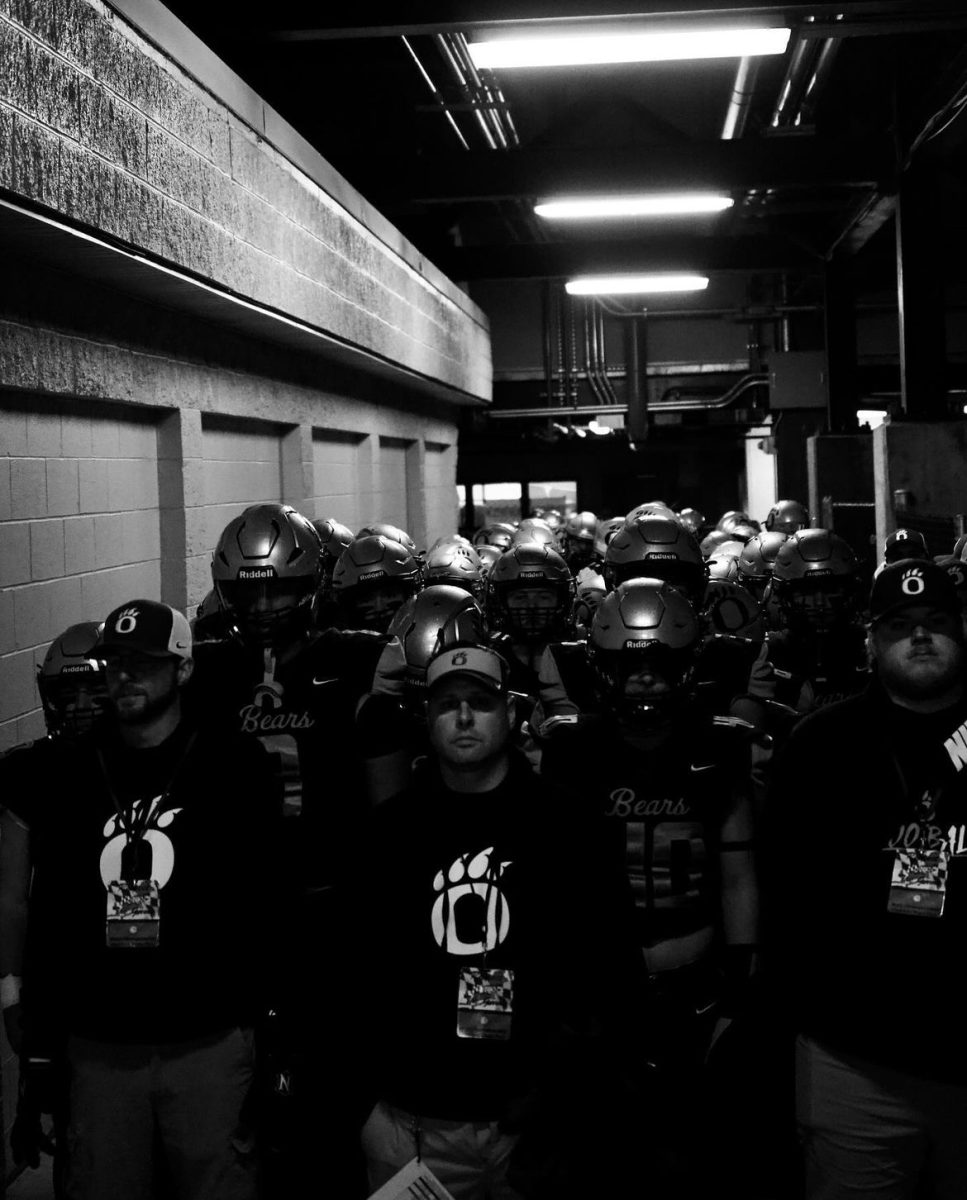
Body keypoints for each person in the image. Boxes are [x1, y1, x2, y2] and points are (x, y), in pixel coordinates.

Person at [9, 599, 283, 1200]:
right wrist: (41, 1051)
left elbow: (265, 902)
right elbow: (53, 913)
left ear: (182, 669)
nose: (124, 676)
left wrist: (270, 1026)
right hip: (101, 1044)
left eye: (144, 663)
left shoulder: (231, 765)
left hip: (206, 1039)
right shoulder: (73, 772)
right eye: (115, 663)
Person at [350, 643, 643, 1200]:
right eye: (447, 704)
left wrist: (567, 1092)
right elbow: (354, 972)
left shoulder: (565, 824)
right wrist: (364, 1105)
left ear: (510, 714)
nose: (463, 717)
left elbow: (609, 968)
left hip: (537, 1126)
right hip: (413, 1126)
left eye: (480, 702)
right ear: (427, 718)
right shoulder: (391, 834)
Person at [765, 559, 967, 1199]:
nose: (920, 636)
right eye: (900, 624)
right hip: (858, 1060)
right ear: (872, 640)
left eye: (936, 622)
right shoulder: (823, 745)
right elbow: (788, 896)